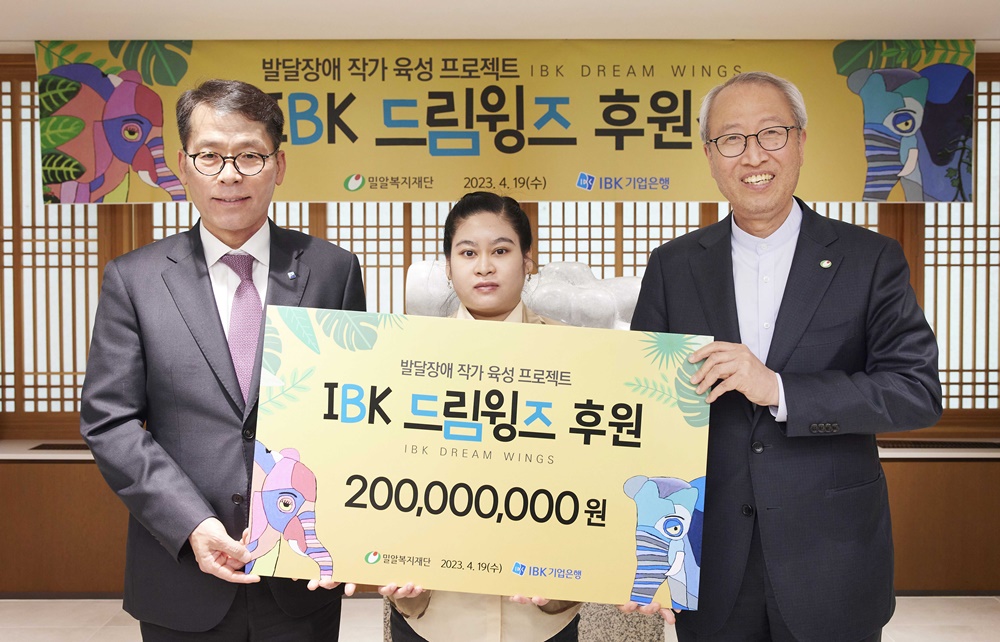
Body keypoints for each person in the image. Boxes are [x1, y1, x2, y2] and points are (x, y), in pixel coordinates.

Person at [630, 72, 942, 642]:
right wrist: (646, 561)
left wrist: (779, 389)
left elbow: (915, 391)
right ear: (709, 155)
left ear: (800, 141)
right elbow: (644, 416)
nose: (753, 155)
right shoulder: (673, 266)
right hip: (710, 562)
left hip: (832, 556)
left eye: (771, 133)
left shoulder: (870, 259)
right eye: (732, 139)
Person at [80, 79, 366, 640]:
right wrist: (190, 521)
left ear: (279, 165)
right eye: (210, 156)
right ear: (183, 166)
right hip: (181, 570)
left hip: (300, 575)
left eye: (249, 156)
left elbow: (354, 410)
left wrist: (354, 533)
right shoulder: (135, 279)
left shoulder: (333, 270)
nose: (229, 175)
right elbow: (109, 420)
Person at [381, 191, 582, 641]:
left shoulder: (578, 355)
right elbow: (382, 467)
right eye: (468, 253)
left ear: (528, 261)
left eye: (501, 251)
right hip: (433, 612)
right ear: (448, 266)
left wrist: (570, 583)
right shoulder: (403, 354)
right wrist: (390, 565)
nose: (484, 266)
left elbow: (595, 477)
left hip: (543, 616)